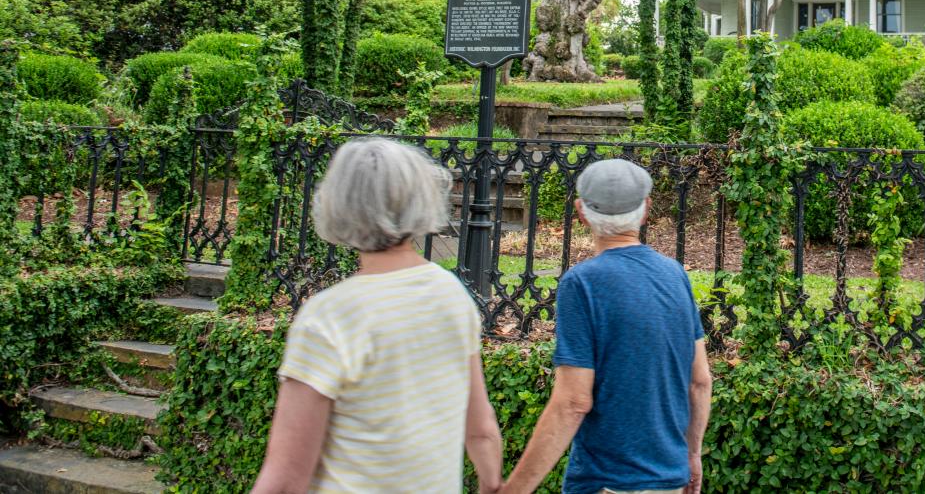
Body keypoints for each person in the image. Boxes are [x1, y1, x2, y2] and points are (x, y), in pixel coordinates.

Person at [250, 137, 503, 494]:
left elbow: (287, 478)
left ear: (338, 203)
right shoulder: (451, 293)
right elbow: (480, 428)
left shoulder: (330, 315)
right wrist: (492, 482)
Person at [501, 159, 713, 494]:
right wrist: (692, 454)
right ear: (646, 209)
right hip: (671, 478)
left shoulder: (582, 283)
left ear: (581, 212)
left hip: (607, 482)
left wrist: (514, 489)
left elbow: (573, 402)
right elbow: (699, 381)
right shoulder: (675, 275)